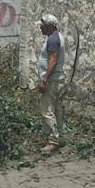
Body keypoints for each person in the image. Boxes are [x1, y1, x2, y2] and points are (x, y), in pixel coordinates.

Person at [37, 13, 66, 154]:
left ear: (49, 26)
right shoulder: (56, 37)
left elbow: (52, 60)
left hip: (52, 81)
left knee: (47, 111)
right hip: (57, 79)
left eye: (42, 26)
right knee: (57, 111)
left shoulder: (53, 40)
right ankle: (60, 138)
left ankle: (53, 141)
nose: (40, 29)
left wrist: (44, 80)